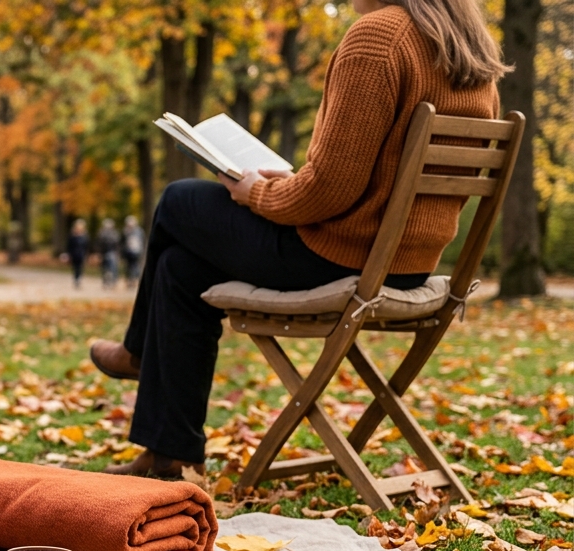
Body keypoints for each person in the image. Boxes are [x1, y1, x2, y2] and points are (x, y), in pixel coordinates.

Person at [88, 0, 505, 478]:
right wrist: (289, 183)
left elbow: (329, 190)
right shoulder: (469, 52)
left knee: (179, 199)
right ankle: (170, 457)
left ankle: (138, 353)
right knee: (179, 269)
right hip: (409, 264)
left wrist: (258, 192)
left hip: (336, 256)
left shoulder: (379, 39)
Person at [63, 219, 91, 288]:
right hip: (74, 254)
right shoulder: (73, 236)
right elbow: (69, 246)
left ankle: (79, 279)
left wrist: (88, 254)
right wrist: (68, 254)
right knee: (75, 268)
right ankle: (76, 279)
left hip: (82, 254)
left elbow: (87, 246)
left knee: (80, 267)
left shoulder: (85, 236)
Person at [120, 216, 144, 287]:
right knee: (128, 267)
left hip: (136, 252)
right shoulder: (125, 231)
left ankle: (134, 280)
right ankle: (129, 280)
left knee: (135, 266)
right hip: (128, 253)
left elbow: (142, 241)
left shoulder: (139, 231)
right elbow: (122, 243)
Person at [97, 219, 121, 287]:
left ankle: (113, 281)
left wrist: (117, 253)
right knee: (105, 268)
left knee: (112, 268)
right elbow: (99, 244)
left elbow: (117, 245)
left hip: (112, 252)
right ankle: (106, 281)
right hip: (104, 253)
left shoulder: (114, 234)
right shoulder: (101, 233)